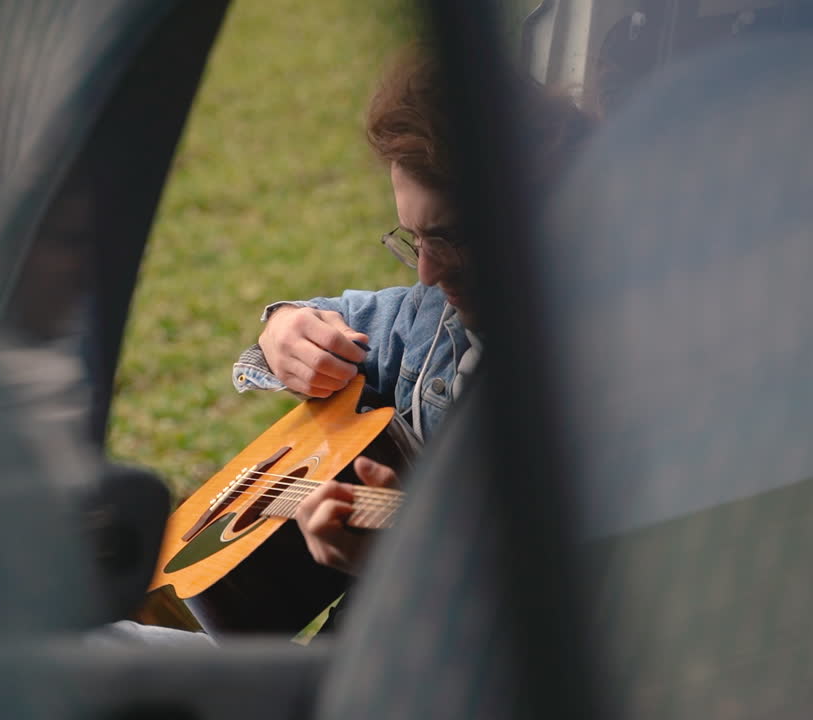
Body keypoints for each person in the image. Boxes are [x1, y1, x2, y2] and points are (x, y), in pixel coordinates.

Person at [233, 49, 595, 577]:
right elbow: (331, 321)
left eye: (450, 238)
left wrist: (409, 570)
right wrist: (285, 327)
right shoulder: (431, 320)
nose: (426, 272)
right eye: (415, 238)